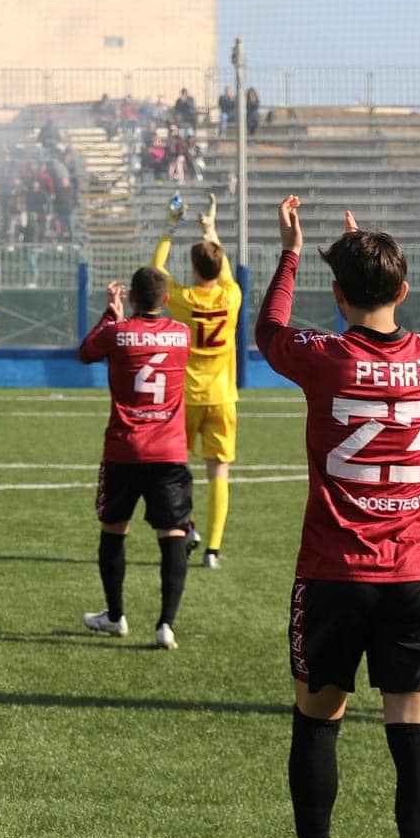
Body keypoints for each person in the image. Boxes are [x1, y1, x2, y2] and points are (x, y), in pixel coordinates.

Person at [255, 197, 420, 838]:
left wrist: (295, 252)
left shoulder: (326, 357)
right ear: (404, 290)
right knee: (415, 735)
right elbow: (378, 317)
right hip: (416, 576)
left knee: (318, 718)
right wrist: (357, 256)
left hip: (337, 573)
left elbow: (270, 331)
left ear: (337, 295)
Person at [77, 267, 193, 650]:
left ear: (132, 297)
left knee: (114, 530)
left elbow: (87, 351)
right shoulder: (182, 334)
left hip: (124, 450)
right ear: (165, 298)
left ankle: (115, 616)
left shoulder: (117, 332)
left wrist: (111, 313)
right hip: (170, 451)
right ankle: (166, 625)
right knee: (173, 534)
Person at [152, 194, 242, 568]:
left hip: (187, 396)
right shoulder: (231, 295)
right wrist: (211, 229)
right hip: (222, 397)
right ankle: (213, 550)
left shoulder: (185, 299)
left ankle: (187, 527)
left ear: (192, 268)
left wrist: (170, 228)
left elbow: (155, 273)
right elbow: (223, 271)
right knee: (218, 470)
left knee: (176, 468)